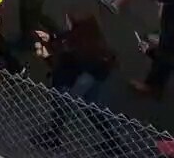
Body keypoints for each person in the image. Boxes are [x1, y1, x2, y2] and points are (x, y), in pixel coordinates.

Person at [30, 12, 118, 150]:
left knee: (61, 107)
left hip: (73, 80)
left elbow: (58, 63)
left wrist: (44, 52)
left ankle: (53, 137)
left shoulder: (74, 50)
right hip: (94, 77)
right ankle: (113, 142)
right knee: (92, 108)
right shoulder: (91, 42)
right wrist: (51, 38)